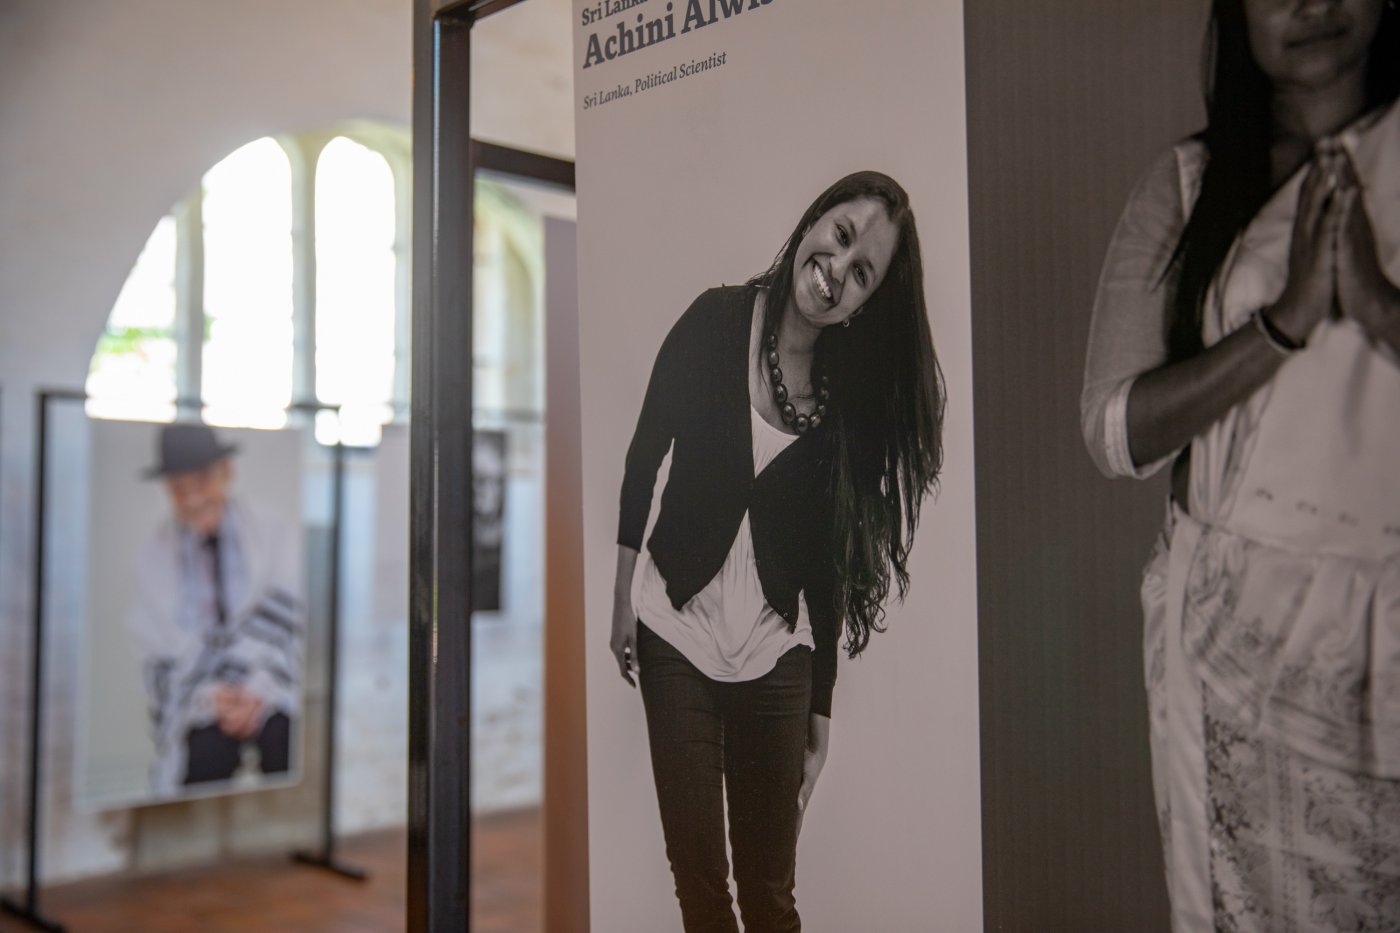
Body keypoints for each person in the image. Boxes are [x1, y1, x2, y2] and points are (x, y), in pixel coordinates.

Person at [1081, 1, 1400, 928]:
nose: (1312, 4)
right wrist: (1284, 325)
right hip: (1235, 653)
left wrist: (1376, 307)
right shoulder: (1190, 185)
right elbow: (1113, 428)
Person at [610, 170, 944, 931]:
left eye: (863, 272)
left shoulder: (842, 412)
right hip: (676, 629)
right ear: (815, 219)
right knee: (700, 884)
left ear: (866, 303)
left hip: (775, 653)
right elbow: (643, 455)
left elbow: (828, 574)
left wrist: (820, 705)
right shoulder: (715, 320)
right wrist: (621, 597)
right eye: (842, 234)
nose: (838, 267)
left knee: (769, 896)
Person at [127, 423, 304, 795]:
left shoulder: (271, 532)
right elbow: (161, 648)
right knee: (203, 757)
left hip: (267, 683)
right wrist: (212, 693)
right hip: (200, 693)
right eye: (179, 488)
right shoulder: (153, 556)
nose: (192, 499)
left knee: (286, 741)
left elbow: (290, 621)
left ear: (226, 474)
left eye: (202, 482)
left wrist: (257, 687)